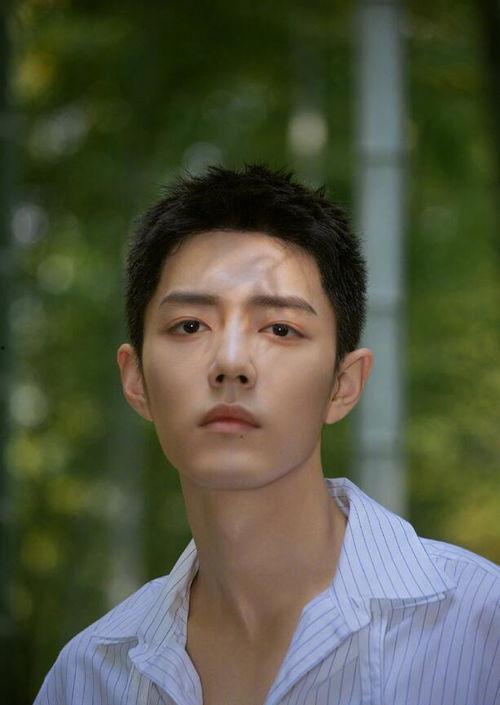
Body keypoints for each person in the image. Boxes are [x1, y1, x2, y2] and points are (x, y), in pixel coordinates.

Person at [34, 164, 499, 705]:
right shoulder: (88, 677)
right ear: (136, 380)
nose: (231, 363)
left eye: (280, 329)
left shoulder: (482, 629)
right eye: (190, 325)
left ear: (344, 385)